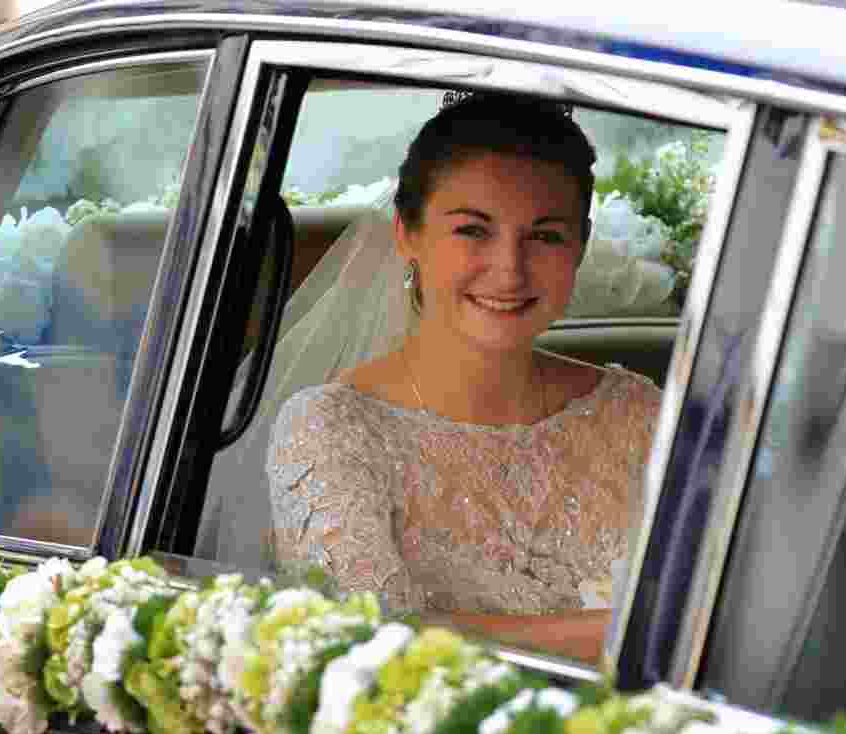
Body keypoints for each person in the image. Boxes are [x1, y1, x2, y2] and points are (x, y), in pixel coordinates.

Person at [262, 93, 662, 664]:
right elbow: (366, 651)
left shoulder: (642, 415)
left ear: (581, 245)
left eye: (545, 236)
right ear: (407, 234)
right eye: (474, 231)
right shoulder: (330, 431)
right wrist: (623, 633)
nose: (509, 269)